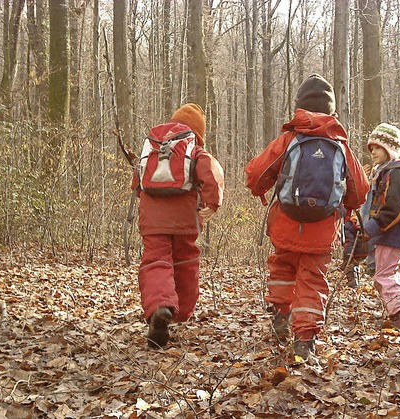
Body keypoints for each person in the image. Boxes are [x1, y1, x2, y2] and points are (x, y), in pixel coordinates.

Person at [245, 74, 369, 360]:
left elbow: (255, 174)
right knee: (313, 280)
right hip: (323, 230)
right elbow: (360, 191)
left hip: (286, 224)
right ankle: (305, 338)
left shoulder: (289, 139)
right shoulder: (340, 145)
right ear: (331, 110)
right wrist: (344, 208)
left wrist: (260, 190)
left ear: (299, 106)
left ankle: (280, 315)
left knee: (282, 268)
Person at [133, 103, 225, 349]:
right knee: (185, 264)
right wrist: (213, 203)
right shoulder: (194, 149)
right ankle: (179, 312)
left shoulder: (153, 144)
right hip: (185, 220)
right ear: (198, 132)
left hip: (152, 221)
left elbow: (137, 180)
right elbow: (212, 174)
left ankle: (159, 307)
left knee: (156, 262)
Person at [362, 123, 400, 333]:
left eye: (377, 148)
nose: (373, 152)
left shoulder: (398, 172)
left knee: (383, 276)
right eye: (371, 149)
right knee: (393, 272)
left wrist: (375, 225)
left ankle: (399, 315)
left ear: (390, 149)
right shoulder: (386, 172)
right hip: (394, 233)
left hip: (392, 233)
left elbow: (396, 206)